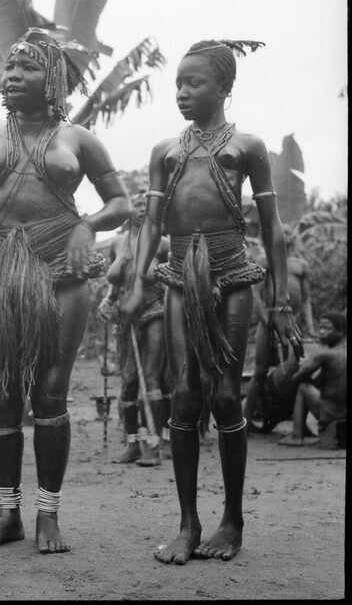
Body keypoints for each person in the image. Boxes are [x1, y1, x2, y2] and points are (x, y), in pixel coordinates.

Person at [0, 28, 131, 554]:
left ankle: (48, 514)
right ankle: (8, 514)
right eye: (10, 67)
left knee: (48, 391)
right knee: (3, 392)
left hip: (58, 268)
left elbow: (121, 203)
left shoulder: (79, 139)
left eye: (27, 68)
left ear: (54, 78)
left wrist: (87, 226)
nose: (13, 75)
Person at [119, 39, 304, 564]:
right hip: (180, 276)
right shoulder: (166, 152)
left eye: (193, 83)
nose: (181, 92)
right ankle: (187, 523)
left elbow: (271, 226)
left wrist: (282, 298)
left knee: (224, 395)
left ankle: (232, 521)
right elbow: (153, 223)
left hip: (233, 274)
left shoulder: (245, 147)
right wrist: (137, 285)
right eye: (177, 83)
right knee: (184, 394)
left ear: (224, 88)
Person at [98, 191, 171, 466]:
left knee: (150, 377)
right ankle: (132, 445)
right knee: (128, 383)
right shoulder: (117, 244)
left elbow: (173, 279)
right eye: (137, 205)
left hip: (154, 313)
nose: (141, 209)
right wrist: (108, 299)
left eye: (145, 205)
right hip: (125, 320)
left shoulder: (162, 244)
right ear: (128, 211)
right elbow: (116, 282)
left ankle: (155, 444)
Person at [243, 225, 316, 431]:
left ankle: (299, 424)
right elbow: (256, 296)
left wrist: (309, 326)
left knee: (298, 371)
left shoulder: (301, 265)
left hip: (295, 324)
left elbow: (307, 300)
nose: (286, 238)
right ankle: (245, 421)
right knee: (259, 371)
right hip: (268, 321)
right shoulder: (265, 261)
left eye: (288, 234)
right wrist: (268, 323)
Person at [278, 311, 346, 447]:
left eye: (327, 328)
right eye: (320, 328)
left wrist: (299, 372)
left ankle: (296, 436)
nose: (321, 332)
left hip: (332, 412)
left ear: (341, 331)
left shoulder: (326, 354)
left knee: (303, 387)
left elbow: (297, 377)